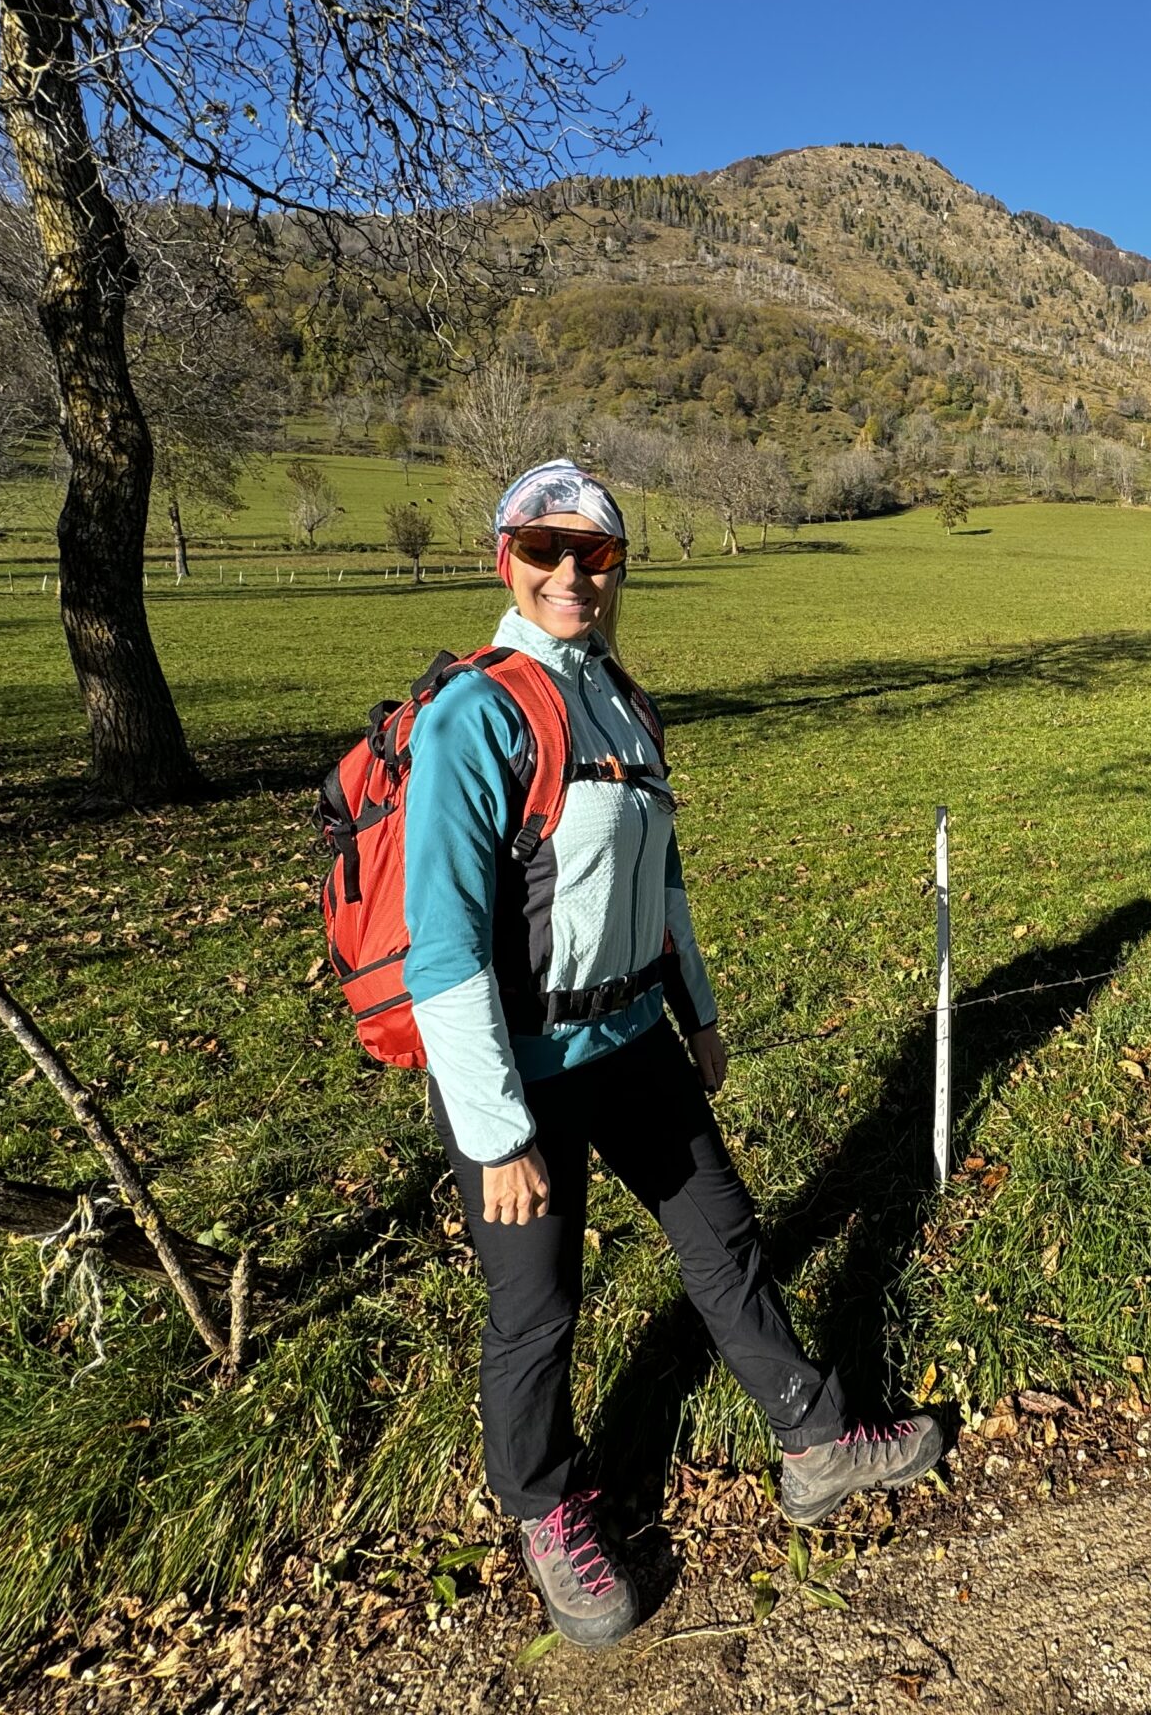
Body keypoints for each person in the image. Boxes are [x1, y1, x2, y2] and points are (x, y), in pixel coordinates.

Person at [402, 458, 944, 1648]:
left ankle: (811, 1442)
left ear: (616, 568)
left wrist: (694, 1009)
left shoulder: (623, 700)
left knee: (725, 1238)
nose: (568, 574)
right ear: (506, 560)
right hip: (517, 1063)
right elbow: (436, 948)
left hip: (631, 1038)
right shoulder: (477, 711)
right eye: (544, 552)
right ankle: (547, 1512)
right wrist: (494, 1134)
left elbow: (665, 884)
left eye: (592, 555)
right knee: (536, 1311)